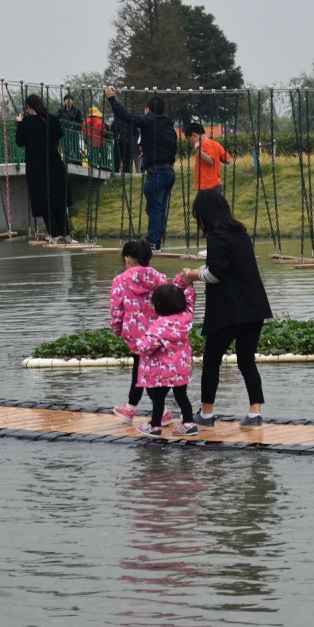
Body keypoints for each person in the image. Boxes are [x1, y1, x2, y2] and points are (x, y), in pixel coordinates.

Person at [179, 191, 273, 428]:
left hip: (229, 311)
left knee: (211, 360)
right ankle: (255, 414)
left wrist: (191, 275)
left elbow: (215, 274)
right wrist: (203, 268)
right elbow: (229, 266)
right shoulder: (240, 233)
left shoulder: (217, 236)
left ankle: (207, 415)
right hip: (254, 308)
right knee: (246, 360)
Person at [105, 86, 178, 252]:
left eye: (145, 109)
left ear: (149, 109)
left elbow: (126, 117)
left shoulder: (149, 121)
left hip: (157, 172)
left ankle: (152, 242)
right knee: (159, 208)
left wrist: (111, 99)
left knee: (153, 208)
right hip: (169, 172)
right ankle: (156, 242)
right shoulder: (168, 126)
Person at [110, 239, 170, 425]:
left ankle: (158, 411)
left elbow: (117, 310)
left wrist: (117, 330)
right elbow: (168, 306)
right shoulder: (161, 279)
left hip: (135, 335)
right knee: (150, 369)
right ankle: (132, 408)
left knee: (141, 370)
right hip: (158, 333)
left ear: (127, 259)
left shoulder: (120, 280)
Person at [133, 278, 198, 437]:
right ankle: (189, 424)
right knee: (182, 396)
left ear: (161, 306)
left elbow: (148, 345)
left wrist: (138, 345)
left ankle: (155, 426)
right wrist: (184, 283)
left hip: (162, 372)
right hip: (181, 368)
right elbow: (190, 299)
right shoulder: (187, 317)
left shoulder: (160, 325)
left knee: (158, 399)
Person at [15, 94, 74, 243]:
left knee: (44, 202)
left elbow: (20, 141)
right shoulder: (52, 119)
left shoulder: (27, 122)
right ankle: (65, 234)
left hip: (37, 168)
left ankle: (54, 235)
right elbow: (59, 133)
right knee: (58, 201)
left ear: (29, 108)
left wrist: (20, 124)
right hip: (55, 164)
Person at [185, 122, 231, 192]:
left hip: (208, 187)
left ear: (194, 135)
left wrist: (198, 150)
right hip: (216, 185)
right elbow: (227, 160)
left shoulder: (204, 144)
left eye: (189, 139)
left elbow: (211, 161)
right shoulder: (215, 144)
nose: (190, 142)